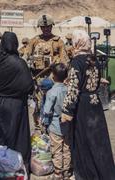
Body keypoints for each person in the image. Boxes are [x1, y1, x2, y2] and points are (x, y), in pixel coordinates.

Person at [61, 30, 115, 180]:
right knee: (98, 141)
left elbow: (73, 90)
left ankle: (87, 174)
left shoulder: (76, 62)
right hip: (95, 104)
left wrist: (66, 111)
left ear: (77, 43)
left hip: (82, 106)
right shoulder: (94, 59)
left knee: (83, 142)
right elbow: (96, 82)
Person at [0, 32, 34, 175]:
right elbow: (28, 86)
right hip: (15, 104)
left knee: (3, 133)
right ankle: (18, 167)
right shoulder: (19, 63)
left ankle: (3, 164)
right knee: (18, 134)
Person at [43, 63, 72, 179]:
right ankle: (67, 171)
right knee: (67, 148)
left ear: (53, 76)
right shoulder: (69, 90)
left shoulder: (51, 92)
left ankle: (58, 173)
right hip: (68, 124)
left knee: (56, 149)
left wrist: (45, 123)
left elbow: (47, 110)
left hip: (55, 125)